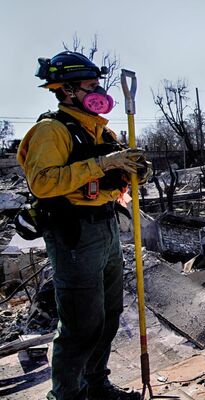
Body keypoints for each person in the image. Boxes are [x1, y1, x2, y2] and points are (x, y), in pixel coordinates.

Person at [17, 51, 149, 400]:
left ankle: (96, 385)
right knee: (80, 323)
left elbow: (118, 173)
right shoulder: (51, 131)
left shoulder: (100, 131)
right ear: (68, 90)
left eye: (97, 85)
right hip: (74, 232)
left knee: (108, 314)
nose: (99, 92)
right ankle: (66, 395)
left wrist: (135, 169)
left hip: (105, 226)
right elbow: (43, 182)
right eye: (91, 86)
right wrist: (102, 163)